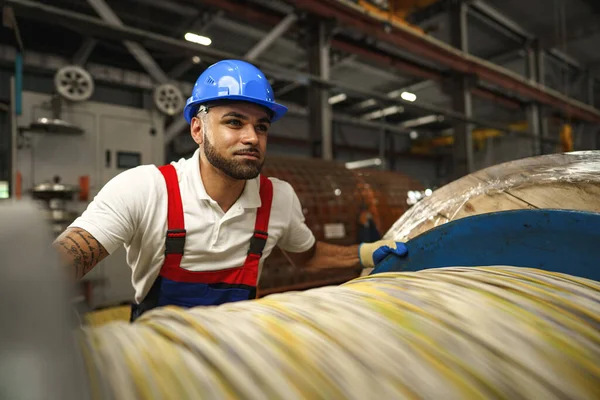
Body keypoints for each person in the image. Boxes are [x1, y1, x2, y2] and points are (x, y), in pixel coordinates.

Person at [53, 59, 408, 321]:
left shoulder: (278, 198)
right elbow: (63, 261)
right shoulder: (145, 189)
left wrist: (368, 252)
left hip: (237, 348)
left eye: (262, 127)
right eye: (234, 122)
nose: (252, 137)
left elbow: (308, 256)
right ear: (197, 129)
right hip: (157, 353)